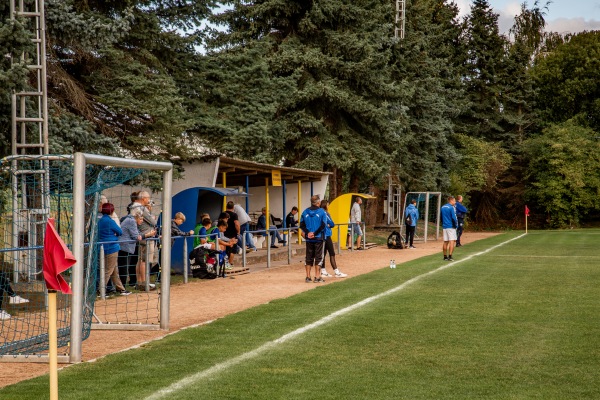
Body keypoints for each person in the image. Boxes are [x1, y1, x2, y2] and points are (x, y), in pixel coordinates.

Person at [98, 203, 130, 296]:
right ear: (111, 211)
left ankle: (121, 289)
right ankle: (101, 290)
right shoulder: (110, 221)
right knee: (108, 270)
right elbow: (120, 232)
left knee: (114, 270)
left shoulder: (100, 221)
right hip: (112, 247)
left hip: (103, 247)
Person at [130, 191, 157, 290]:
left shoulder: (134, 206)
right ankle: (144, 283)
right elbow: (153, 222)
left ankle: (140, 281)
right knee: (144, 261)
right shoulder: (141, 208)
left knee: (140, 260)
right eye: (148, 198)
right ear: (144, 198)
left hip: (142, 235)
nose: (149, 200)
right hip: (147, 236)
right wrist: (151, 214)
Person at [300, 195, 328, 283]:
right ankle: (317, 277)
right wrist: (315, 233)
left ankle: (308, 277)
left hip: (309, 239)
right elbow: (323, 225)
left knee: (308, 257)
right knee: (319, 257)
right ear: (318, 203)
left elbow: (301, 225)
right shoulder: (322, 212)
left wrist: (308, 233)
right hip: (318, 238)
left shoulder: (305, 212)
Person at [319, 200, 348, 278]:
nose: (328, 206)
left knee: (323, 254)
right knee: (332, 253)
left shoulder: (319, 212)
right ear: (325, 205)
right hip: (326, 235)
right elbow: (332, 223)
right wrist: (328, 225)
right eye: (328, 205)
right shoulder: (325, 213)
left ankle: (323, 271)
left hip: (322, 235)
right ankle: (336, 271)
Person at [118, 207, 143, 289]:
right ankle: (123, 287)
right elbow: (136, 236)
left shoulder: (130, 220)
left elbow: (137, 234)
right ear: (137, 216)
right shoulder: (131, 221)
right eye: (141, 218)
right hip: (125, 246)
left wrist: (140, 236)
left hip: (125, 246)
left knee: (124, 267)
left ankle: (122, 287)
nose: (142, 221)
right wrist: (144, 235)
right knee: (124, 267)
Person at [441, 196, 458, 261]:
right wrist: (456, 225)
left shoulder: (443, 207)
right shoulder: (451, 208)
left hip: (445, 226)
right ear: (451, 201)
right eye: (454, 201)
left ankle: (445, 256)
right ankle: (450, 256)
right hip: (451, 226)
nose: (455, 202)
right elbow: (454, 217)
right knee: (452, 241)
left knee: (445, 241)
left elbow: (441, 216)